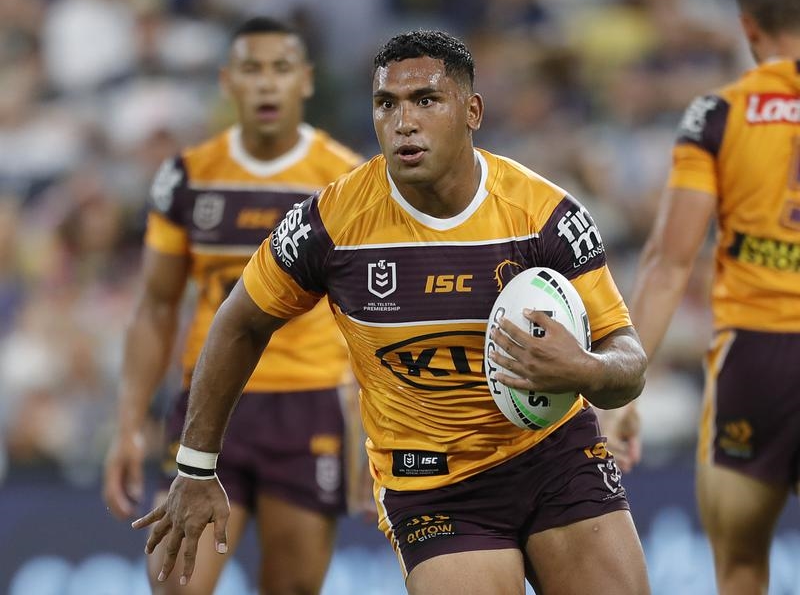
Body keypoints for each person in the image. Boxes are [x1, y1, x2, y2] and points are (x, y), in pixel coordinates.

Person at [133, 29, 650, 595]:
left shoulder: (544, 215)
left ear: (472, 111)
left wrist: (585, 370)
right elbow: (238, 321)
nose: (404, 122)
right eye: (386, 104)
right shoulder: (331, 223)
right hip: (434, 485)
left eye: (426, 100)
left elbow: (628, 359)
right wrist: (195, 467)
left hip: (555, 455)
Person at [102, 17, 362, 595]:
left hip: (308, 403)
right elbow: (156, 307)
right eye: (252, 68)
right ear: (227, 81)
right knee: (173, 583)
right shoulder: (189, 177)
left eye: (280, 69)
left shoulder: (345, 180)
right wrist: (128, 425)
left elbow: (368, 316)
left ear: (305, 80)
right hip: (208, 403)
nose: (266, 83)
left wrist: (373, 430)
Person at [627, 0, 800, 592]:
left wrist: (623, 389)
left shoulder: (719, 114)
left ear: (748, 28)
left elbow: (669, 262)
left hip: (754, 356)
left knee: (740, 567)